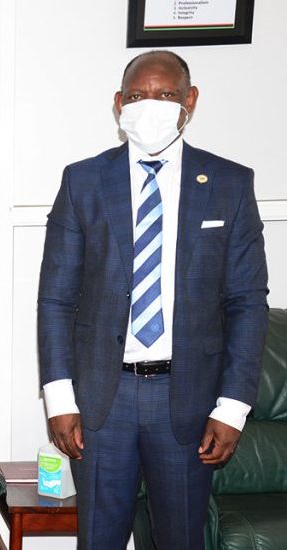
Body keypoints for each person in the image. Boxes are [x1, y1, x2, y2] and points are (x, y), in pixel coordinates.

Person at [38, 50, 268, 549]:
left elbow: (248, 303)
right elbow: (56, 297)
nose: (152, 105)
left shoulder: (230, 184)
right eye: (139, 96)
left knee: (181, 538)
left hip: (188, 397)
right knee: (98, 539)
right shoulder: (84, 181)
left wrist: (232, 408)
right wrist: (59, 398)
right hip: (103, 399)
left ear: (190, 101)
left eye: (166, 95)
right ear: (119, 103)